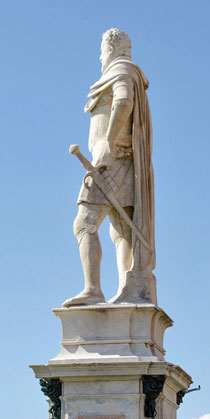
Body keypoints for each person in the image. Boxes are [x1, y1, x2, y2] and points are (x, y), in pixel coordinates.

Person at [63, 28, 156, 308]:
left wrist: (109, 142)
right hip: (124, 162)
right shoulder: (125, 72)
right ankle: (128, 289)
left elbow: (124, 101)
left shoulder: (121, 70)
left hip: (109, 161)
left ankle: (93, 289)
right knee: (121, 229)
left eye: (101, 50)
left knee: (84, 223)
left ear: (111, 48)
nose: (100, 57)